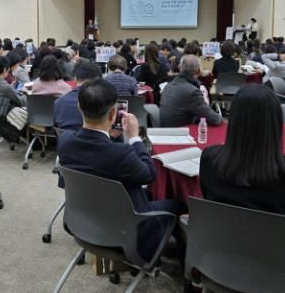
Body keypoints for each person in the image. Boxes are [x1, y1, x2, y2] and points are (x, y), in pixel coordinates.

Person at [57, 79, 187, 271]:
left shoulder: (65, 141)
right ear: (113, 114)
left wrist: (111, 136)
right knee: (178, 204)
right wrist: (134, 137)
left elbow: (97, 152)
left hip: (83, 224)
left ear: (79, 107)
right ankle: (183, 271)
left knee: (149, 196)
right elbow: (148, 173)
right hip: (128, 234)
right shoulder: (121, 155)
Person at [200, 84, 285, 226]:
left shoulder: (209, 160)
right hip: (274, 240)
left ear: (233, 120)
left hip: (218, 237)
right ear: (275, 124)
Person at [160, 55, 223, 127]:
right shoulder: (192, 92)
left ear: (179, 68)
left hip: (166, 130)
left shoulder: (168, 86)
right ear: (199, 71)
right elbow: (214, 119)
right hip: (182, 131)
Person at [54, 61, 102, 131]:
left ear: (75, 79)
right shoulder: (103, 103)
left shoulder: (58, 102)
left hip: (64, 137)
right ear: (98, 80)